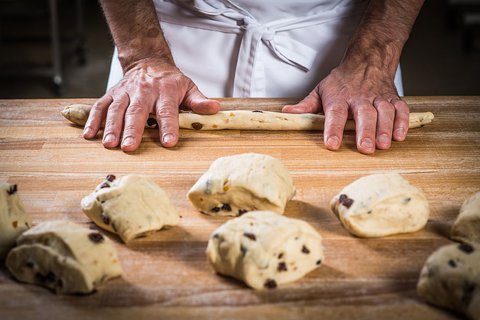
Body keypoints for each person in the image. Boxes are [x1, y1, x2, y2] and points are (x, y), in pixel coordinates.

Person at [83, 0, 424, 154]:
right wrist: (144, 55)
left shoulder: (366, 58)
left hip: (344, 52)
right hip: (164, 46)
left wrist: (374, 58)